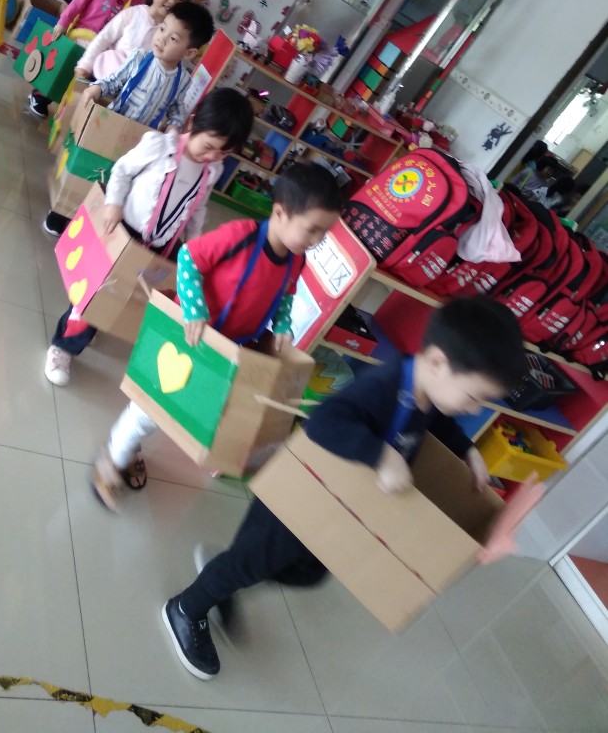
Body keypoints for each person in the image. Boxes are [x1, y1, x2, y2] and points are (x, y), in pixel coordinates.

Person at [161, 297, 526, 680]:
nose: (475, 410)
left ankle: (225, 573)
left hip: (334, 504)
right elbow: (325, 422)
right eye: (474, 398)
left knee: (308, 573)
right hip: (299, 498)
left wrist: (468, 450)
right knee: (256, 560)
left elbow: (440, 423)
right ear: (437, 363)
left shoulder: (429, 394)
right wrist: (380, 456)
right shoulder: (386, 385)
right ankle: (187, 607)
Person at [91, 163, 343, 511]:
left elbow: (286, 294)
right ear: (280, 213)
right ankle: (113, 459)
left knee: (174, 404)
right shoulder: (241, 235)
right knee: (150, 404)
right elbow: (190, 258)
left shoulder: (294, 260)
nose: (316, 241)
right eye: (312, 230)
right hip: (188, 334)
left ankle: (129, 446)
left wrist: (283, 325)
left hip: (223, 347)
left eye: (323, 234)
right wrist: (194, 309)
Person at [44, 88, 255, 387]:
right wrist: (114, 203)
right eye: (209, 146)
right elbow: (121, 171)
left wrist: (193, 243)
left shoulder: (213, 170)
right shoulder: (159, 146)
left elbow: (198, 208)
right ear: (194, 122)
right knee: (92, 293)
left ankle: (94, 322)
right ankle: (63, 347)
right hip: (124, 229)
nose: (212, 156)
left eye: (223, 153)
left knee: (121, 292)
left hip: (161, 244)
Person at [42, 1, 214, 236]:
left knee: (115, 181)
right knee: (90, 167)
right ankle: (62, 211)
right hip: (112, 123)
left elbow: (177, 110)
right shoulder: (140, 57)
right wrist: (97, 88)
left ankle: (88, 218)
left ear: (189, 52)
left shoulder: (183, 80)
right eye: (162, 29)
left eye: (173, 38)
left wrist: (174, 127)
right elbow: (115, 81)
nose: (161, 38)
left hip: (141, 141)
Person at [27, 0, 160, 119]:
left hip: (103, 49)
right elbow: (78, 2)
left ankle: (67, 112)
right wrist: (62, 23)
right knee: (62, 70)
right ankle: (39, 96)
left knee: (83, 83)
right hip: (80, 38)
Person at [74, 0, 195, 81]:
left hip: (131, 87)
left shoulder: (172, 34)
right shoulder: (133, 13)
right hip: (103, 74)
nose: (172, 2)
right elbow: (103, 39)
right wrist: (85, 65)